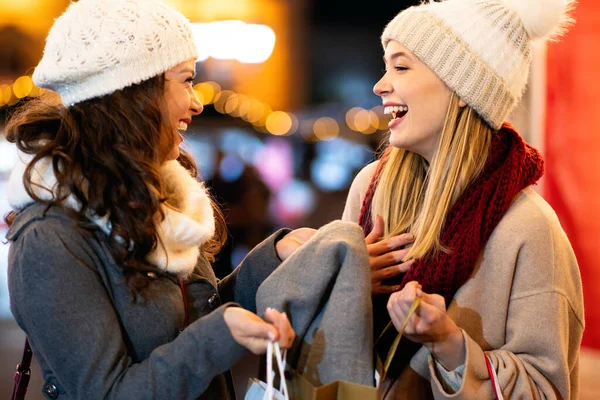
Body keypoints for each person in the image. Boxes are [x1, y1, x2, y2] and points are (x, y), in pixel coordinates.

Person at [4, 0, 309, 398]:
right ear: (136, 94)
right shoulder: (50, 237)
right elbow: (108, 392)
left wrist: (274, 256)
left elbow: (192, 315)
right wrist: (217, 337)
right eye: (185, 80)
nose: (197, 102)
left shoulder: (157, 200)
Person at [342, 0, 584, 398]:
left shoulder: (529, 228)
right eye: (386, 66)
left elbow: (546, 389)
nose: (380, 85)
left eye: (401, 66)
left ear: (461, 88)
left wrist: (449, 345)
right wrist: (345, 282)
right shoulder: (371, 188)